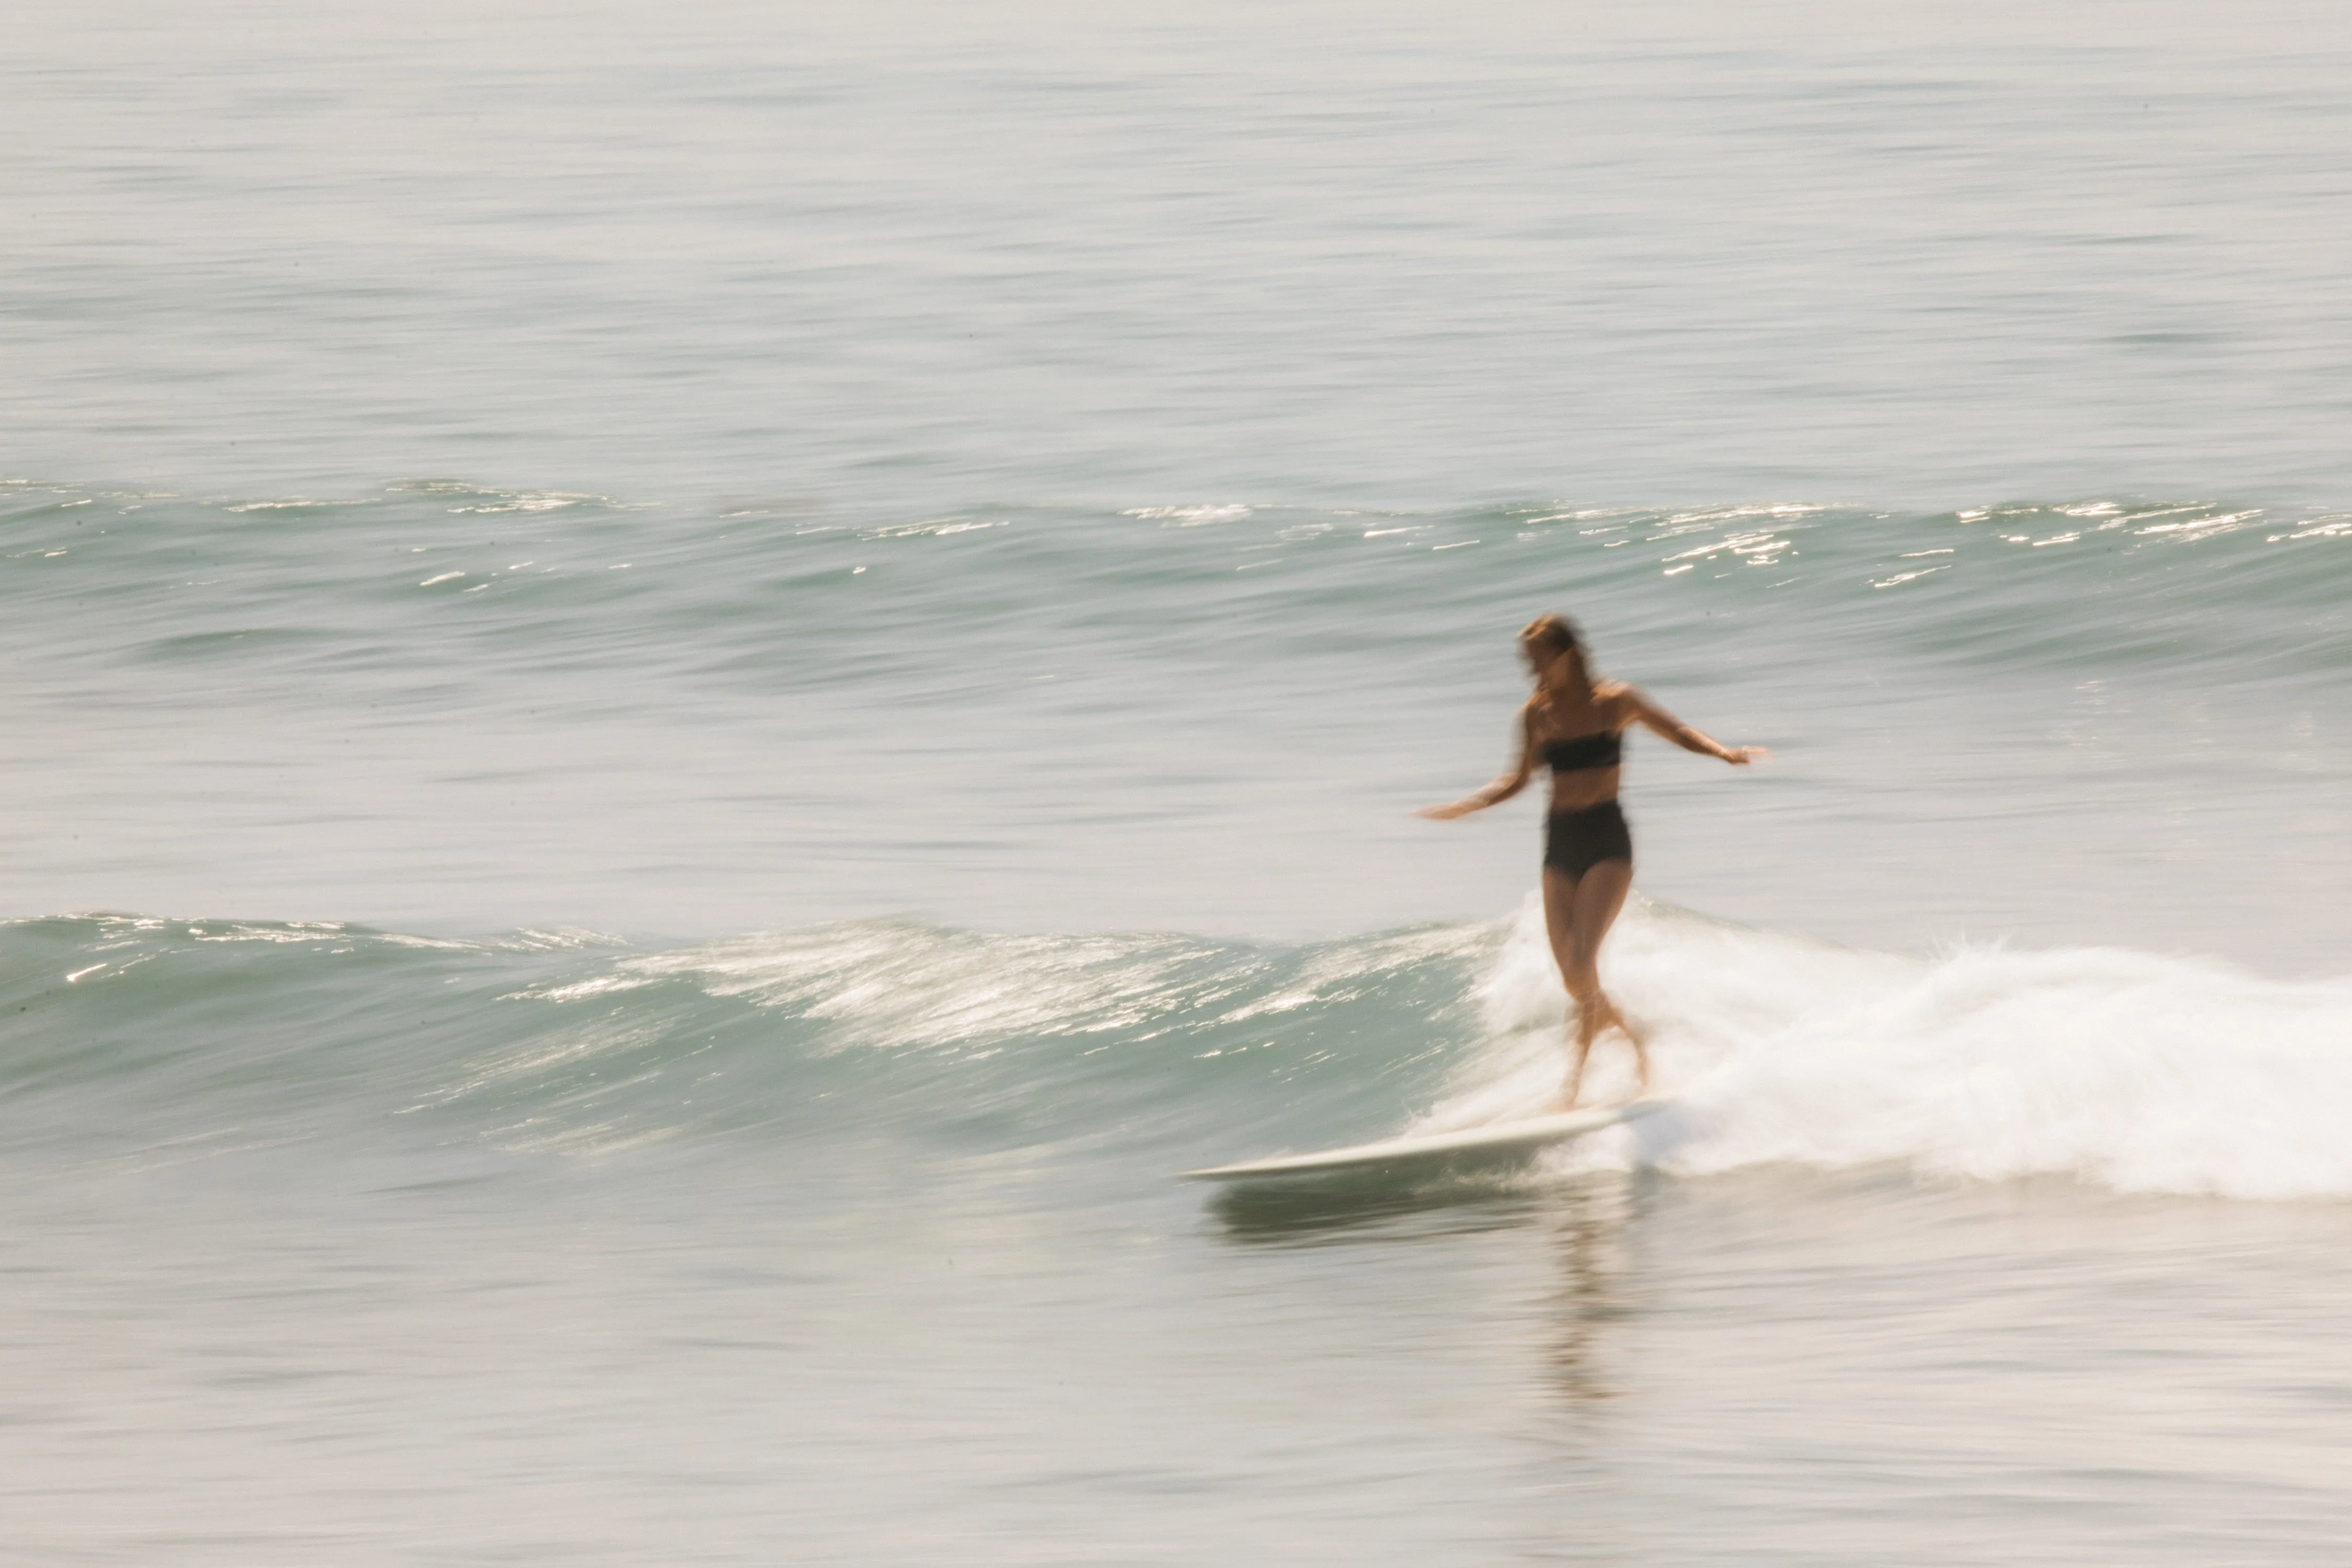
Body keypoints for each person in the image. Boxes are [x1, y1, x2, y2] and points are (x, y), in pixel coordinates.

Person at [1417, 615, 1766, 1109]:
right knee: (1574, 979)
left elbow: (1677, 730)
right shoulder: (1536, 716)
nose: (1530, 667)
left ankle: (1573, 1087)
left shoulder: (1615, 702)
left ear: (1566, 656)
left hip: (1606, 841)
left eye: (1537, 657)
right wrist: (1468, 806)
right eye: (1527, 659)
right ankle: (1633, 1037)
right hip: (1559, 844)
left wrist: (1724, 753)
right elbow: (1516, 781)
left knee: (1583, 963)